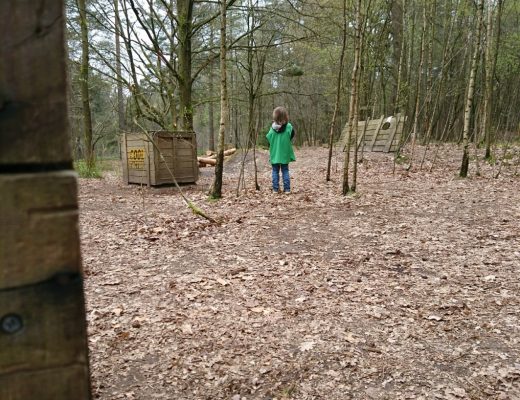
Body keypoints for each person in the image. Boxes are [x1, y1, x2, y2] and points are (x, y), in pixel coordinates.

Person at [266, 106, 296, 193]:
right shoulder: (289, 126)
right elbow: (292, 134)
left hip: (275, 153)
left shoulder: (272, 129)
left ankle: (275, 189)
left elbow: (268, 138)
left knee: (275, 171)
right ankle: (287, 189)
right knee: (285, 170)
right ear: (285, 116)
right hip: (284, 153)